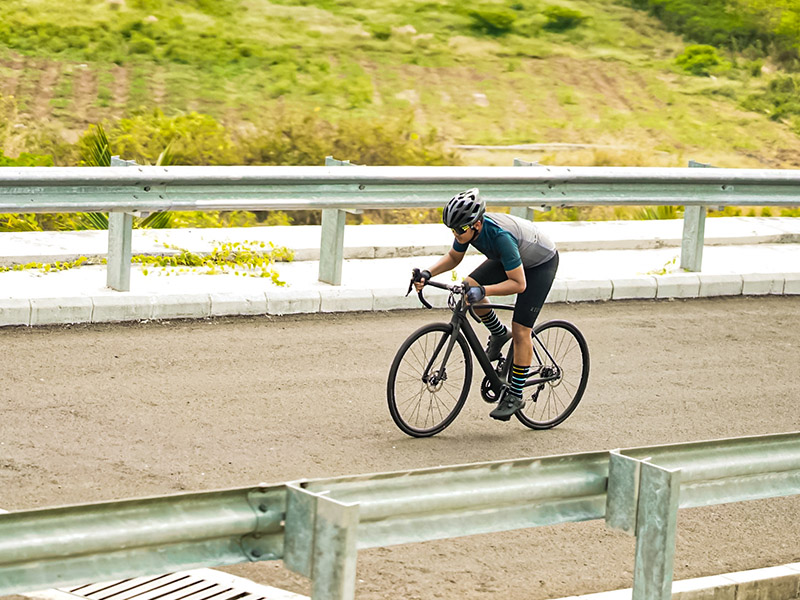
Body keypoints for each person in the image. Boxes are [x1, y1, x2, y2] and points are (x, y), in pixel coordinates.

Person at [414, 188, 559, 421]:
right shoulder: (466, 229)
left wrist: (484, 290)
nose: (456, 234)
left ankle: (515, 393)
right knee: (468, 284)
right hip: (513, 258)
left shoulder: (500, 237)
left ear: (477, 225)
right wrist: (427, 273)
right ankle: (499, 334)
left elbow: (519, 284)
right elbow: (454, 257)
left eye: (460, 229)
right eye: (452, 229)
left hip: (540, 264)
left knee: (522, 330)